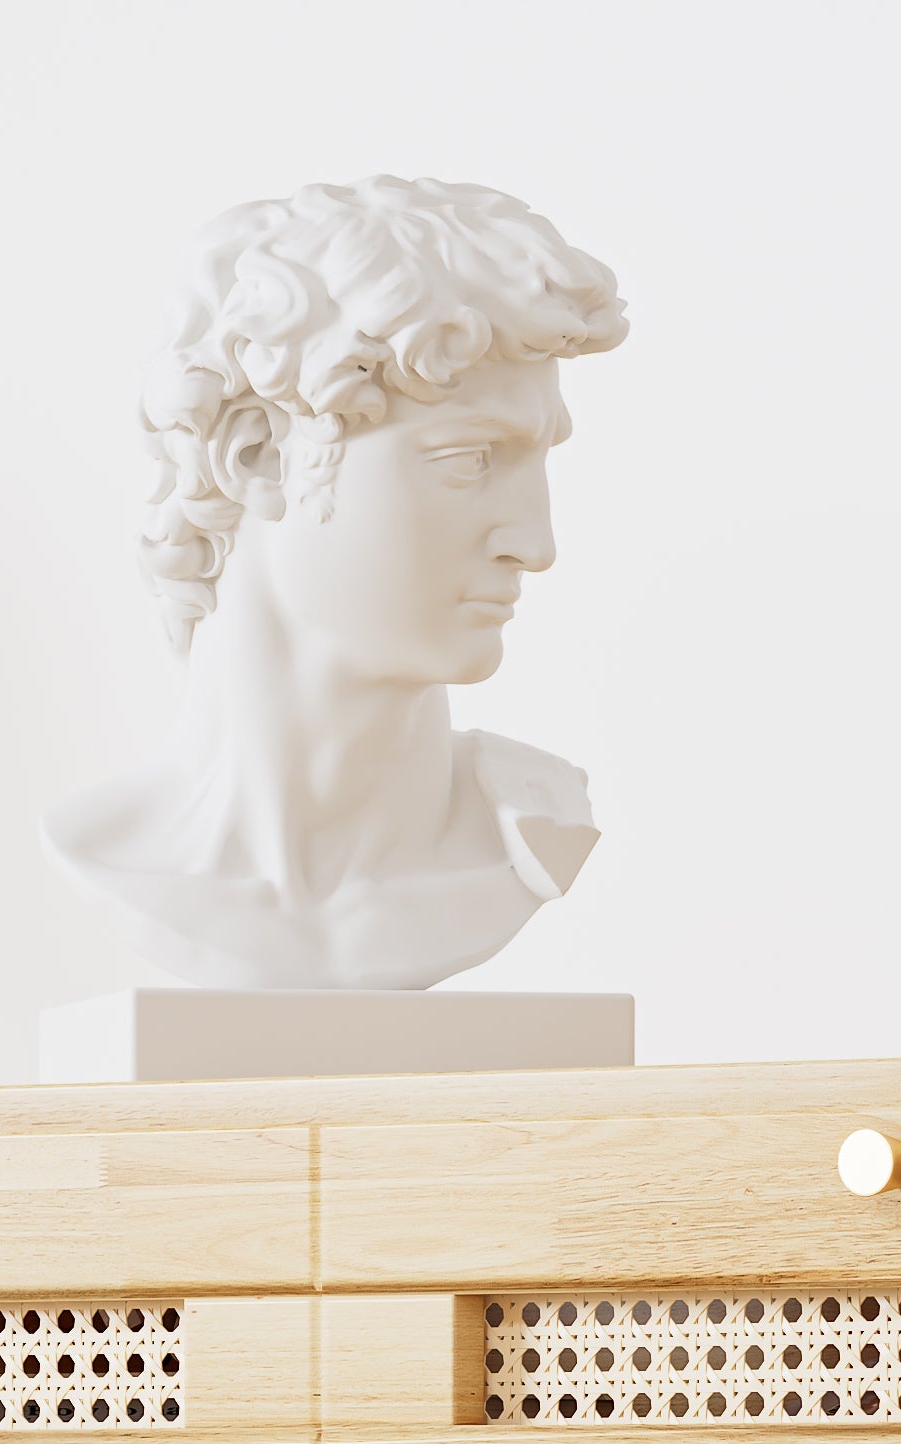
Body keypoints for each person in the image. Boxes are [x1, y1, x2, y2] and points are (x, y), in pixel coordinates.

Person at [42, 177, 627, 993]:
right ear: (258, 455)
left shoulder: (530, 834)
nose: (537, 545)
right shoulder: (103, 855)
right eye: (469, 461)